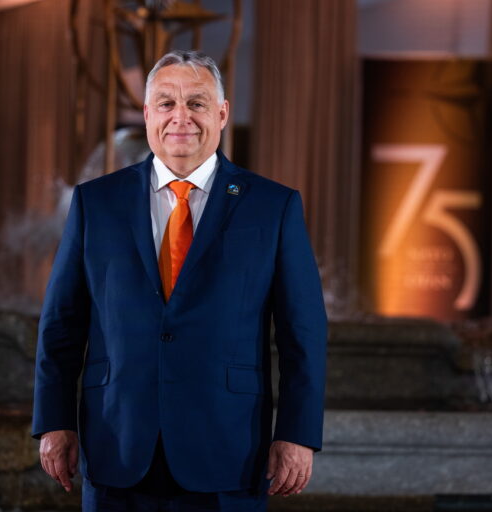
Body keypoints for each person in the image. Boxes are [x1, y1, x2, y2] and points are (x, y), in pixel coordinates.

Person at [32, 50, 327, 511]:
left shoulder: (273, 206)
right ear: (148, 114)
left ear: (223, 113)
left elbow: (302, 333)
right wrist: (53, 422)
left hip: (228, 451)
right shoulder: (95, 203)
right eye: (166, 103)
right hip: (117, 446)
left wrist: (297, 433)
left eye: (197, 103)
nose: (180, 117)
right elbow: (61, 325)